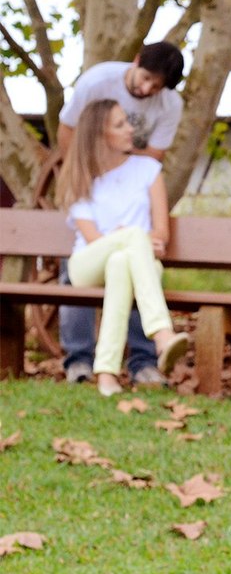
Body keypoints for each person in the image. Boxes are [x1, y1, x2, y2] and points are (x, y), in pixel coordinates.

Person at [56, 41, 186, 387]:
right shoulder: (96, 83)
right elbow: (95, 238)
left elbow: (160, 231)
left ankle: (107, 373)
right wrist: (137, 238)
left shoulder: (147, 169)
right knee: (130, 241)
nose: (146, 91)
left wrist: (149, 241)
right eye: (120, 124)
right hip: (88, 259)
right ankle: (162, 336)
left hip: (122, 259)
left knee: (123, 263)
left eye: (155, 87)